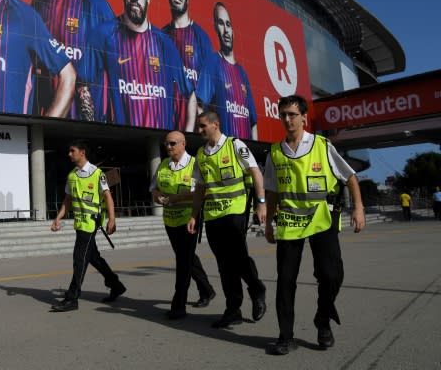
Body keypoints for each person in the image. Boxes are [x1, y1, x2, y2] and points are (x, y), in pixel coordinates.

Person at [263, 95, 366, 355]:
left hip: (322, 218)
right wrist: (268, 222)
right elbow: (272, 190)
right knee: (286, 280)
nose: (287, 119)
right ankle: (286, 337)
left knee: (331, 275)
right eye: (283, 114)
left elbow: (349, 176)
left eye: (292, 114)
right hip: (289, 222)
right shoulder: (275, 152)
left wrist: (359, 207)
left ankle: (323, 320)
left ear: (304, 117)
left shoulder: (322, 145)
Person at [82, 0, 192, 129]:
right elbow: (82, 84)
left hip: (161, 146)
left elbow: (189, 94)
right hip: (119, 144)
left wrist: (184, 136)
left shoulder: (165, 43)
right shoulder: (103, 34)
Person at [186, 111, 267, 328]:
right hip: (213, 216)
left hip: (236, 210)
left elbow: (256, 172)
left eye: (203, 126)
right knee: (224, 264)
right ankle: (233, 309)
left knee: (239, 257)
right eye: (199, 127)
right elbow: (200, 189)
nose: (200, 130)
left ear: (216, 124)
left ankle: (256, 289)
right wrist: (194, 215)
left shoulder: (235, 145)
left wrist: (260, 202)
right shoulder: (201, 154)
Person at [50, 140, 126, 312]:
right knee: (93, 258)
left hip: (91, 224)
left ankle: (72, 298)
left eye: (72, 150)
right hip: (79, 223)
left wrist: (112, 219)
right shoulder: (72, 176)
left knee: (79, 259)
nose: (69, 154)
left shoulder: (97, 173)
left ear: (82, 152)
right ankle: (116, 285)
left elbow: (107, 196)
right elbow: (67, 200)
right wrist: (58, 218)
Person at [151, 131, 216, 319]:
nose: (168, 147)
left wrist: (175, 198)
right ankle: (207, 290)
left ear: (183, 144)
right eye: (166, 144)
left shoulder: (195, 164)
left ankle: (178, 305)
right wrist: (159, 197)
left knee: (183, 262)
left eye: (172, 143)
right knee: (186, 258)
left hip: (190, 218)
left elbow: (201, 191)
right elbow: (154, 188)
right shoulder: (163, 165)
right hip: (170, 220)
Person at [161, 0, 212, 133]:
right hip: (165, 128)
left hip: (196, 133)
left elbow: (208, 93)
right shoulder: (160, 36)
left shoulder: (202, 38)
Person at [194, 2, 258, 139]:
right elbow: (200, 106)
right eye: (221, 23)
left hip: (245, 151)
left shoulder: (242, 72)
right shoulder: (212, 62)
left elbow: (253, 122)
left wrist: (255, 149)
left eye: (228, 24)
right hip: (222, 151)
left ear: (233, 32)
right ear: (216, 28)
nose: (226, 30)